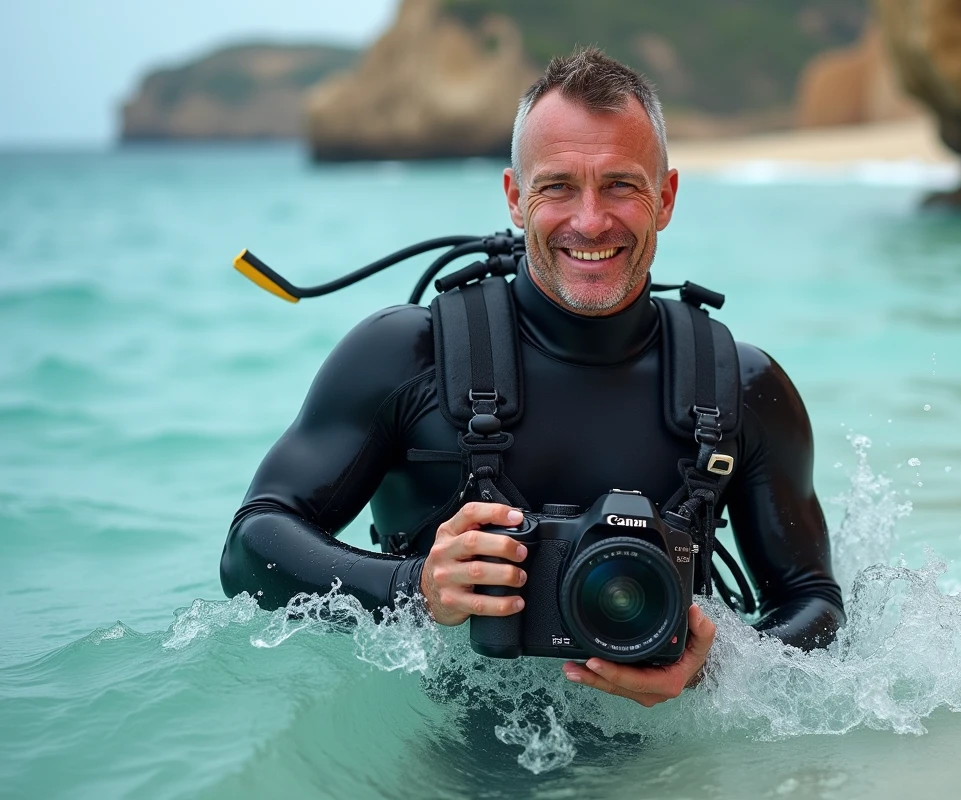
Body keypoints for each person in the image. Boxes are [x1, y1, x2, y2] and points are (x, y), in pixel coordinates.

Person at [221, 47, 843, 707]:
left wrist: (711, 670)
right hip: (441, 743)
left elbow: (815, 604)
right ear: (516, 198)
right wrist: (416, 587)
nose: (590, 220)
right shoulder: (408, 355)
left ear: (665, 198)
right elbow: (249, 548)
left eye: (621, 185)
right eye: (558, 187)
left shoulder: (739, 386)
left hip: (672, 755)